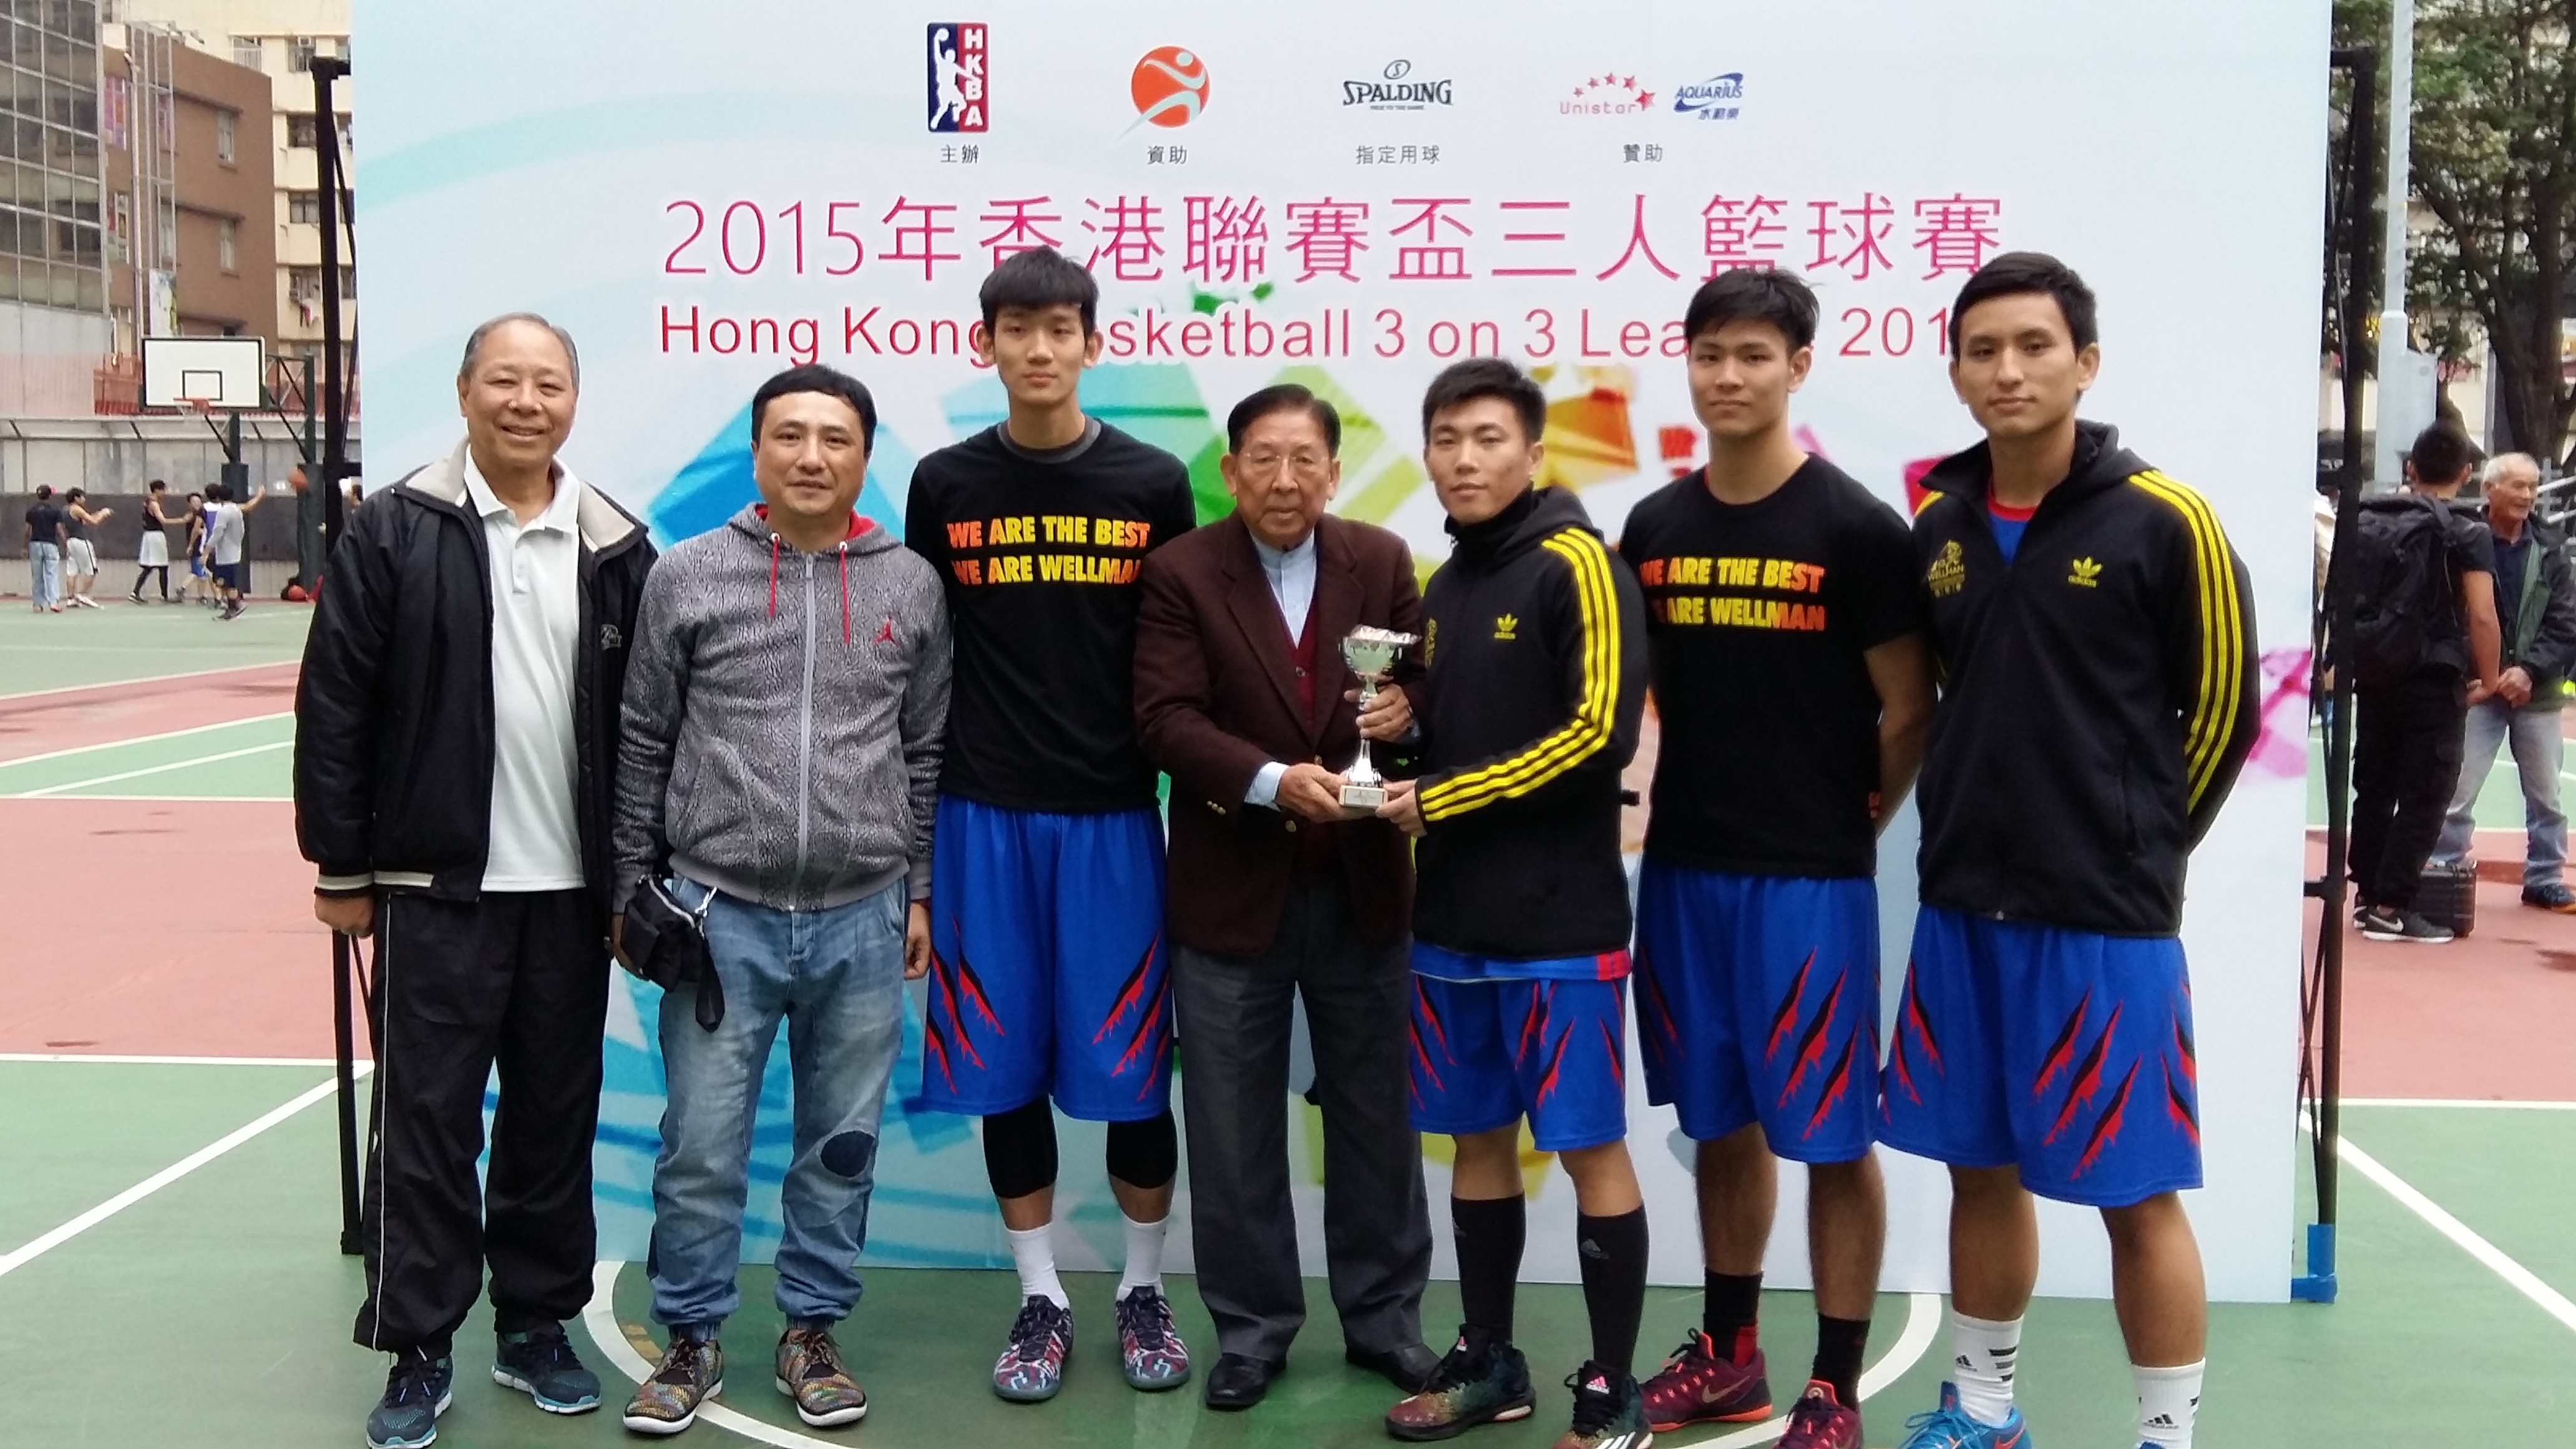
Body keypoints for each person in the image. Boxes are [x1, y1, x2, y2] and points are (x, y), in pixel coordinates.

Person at [1880, 253, 2258, 1449]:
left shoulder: (2164, 519)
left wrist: (2136, 843)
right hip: (1960, 905)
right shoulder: (1936, 525)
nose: (2008, 369)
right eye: (1982, 350)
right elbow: (1938, 695)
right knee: (1977, 1170)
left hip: (2101, 922)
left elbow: (2223, 708)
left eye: (2034, 345)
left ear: (2083, 363)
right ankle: (1983, 1411)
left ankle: (2164, 1437)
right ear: (1955, 373)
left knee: (2134, 1197)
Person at [295, 313, 656, 1449]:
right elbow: (336, 700)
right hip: (429, 885)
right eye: (504, 379)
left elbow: (648, 730)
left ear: (574, 403)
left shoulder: (615, 544)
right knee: (427, 1126)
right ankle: (418, 1341)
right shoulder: (396, 527)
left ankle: (535, 1325)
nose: (525, 401)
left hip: (570, 897)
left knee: (554, 1119)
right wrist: (340, 861)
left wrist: (630, 883)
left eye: (548, 383)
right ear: (464, 394)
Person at [1619, 270, 1935, 1449]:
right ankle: (1730, 1356)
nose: (1728, 376)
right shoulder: (1655, 527)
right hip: (1684, 872)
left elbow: (1909, 707)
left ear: (1799, 366)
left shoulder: (1856, 529)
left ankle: (1832, 1385)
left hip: (1808, 882)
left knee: (1833, 1136)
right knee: (1721, 1122)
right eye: (1710, 355)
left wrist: (1850, 822)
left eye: (1754, 355)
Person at [611, 364, 950, 1435]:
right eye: (790, 435)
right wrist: (629, 887)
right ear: (757, 452)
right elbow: (642, 738)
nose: (812, 456)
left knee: (840, 1145)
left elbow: (926, 748)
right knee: (701, 1147)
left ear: (864, 457)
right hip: (721, 918)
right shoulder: (688, 574)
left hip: (863, 916)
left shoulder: (911, 584)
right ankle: (692, 1337)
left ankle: (812, 1331)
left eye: (835, 438)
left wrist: (918, 891)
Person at [902, 247, 1201, 1403]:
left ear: (1092, 342)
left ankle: (1141, 1287)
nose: (1038, 348)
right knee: (1003, 1070)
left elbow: (1177, 648)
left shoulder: (1151, 481)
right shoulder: (944, 483)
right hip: (981, 816)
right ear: (984, 344)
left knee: (1134, 1078)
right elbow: (919, 652)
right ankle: (1040, 1296)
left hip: (1115, 817)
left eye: (1059, 328)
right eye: (1016, 328)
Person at [1133, 383, 1438, 1412]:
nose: (1284, 478)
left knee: (1377, 1120)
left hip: (1363, 892)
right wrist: (1270, 780)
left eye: (1305, 458)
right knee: (1230, 1130)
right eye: (1262, 457)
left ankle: (1386, 1320)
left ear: (1334, 472)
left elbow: (1417, 695)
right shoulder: (1181, 570)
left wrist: (1403, 718)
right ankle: (1252, 1330)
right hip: (1230, 893)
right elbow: (1164, 716)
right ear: (1228, 472)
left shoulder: (1380, 561)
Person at [1375, 358, 1651, 1449]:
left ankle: (1613, 1389)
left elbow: (1599, 734)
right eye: (1445, 439)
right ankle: (1489, 1359)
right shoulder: (1444, 586)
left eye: (1487, 438)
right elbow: (1456, 737)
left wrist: (1440, 794)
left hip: (1558, 927)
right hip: (1451, 923)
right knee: (1477, 1143)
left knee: (1589, 1150)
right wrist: (1406, 732)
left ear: (1533, 452)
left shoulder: (1578, 564)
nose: (1463, 458)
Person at [2346, 421, 2503, 943]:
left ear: (2410, 469)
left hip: (2375, 669)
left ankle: (2367, 894)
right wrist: (2489, 678)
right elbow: (2481, 614)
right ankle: (2392, 906)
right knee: (2426, 793)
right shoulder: (2466, 531)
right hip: (2434, 675)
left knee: (2374, 787)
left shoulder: (2367, 518)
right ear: (2466, 473)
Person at [2429, 452, 2576, 914]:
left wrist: (2529, 670)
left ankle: (2545, 877)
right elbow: (2450, 613)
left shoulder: (2550, 546)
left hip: (2537, 692)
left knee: (2546, 794)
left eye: (2532, 487)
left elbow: (2566, 619)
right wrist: (2481, 672)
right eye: (2517, 485)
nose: (2527, 495)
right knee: (2458, 788)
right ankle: (2445, 869)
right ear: (2489, 489)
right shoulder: (2461, 539)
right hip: (2477, 689)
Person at [205, 479, 267, 621]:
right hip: (233, 551)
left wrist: (206, 551)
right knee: (223, 582)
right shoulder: (237, 509)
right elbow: (249, 506)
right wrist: (259, 495)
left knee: (226, 583)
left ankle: (235, 605)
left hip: (225, 554)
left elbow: (217, 533)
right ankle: (232, 606)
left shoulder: (223, 512)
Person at [132, 479, 181, 603]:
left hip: (149, 536)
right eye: (163, 490)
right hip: (156, 536)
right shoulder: (154, 504)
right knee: (162, 566)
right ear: (157, 490)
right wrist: (182, 520)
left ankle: (136, 592)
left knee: (150, 566)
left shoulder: (147, 502)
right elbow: (163, 520)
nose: (165, 493)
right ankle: (164, 596)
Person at [61, 487, 110, 607]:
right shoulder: (76, 509)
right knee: (92, 569)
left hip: (71, 541)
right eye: (82, 497)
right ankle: (83, 594)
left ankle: (71, 599)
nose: (84, 499)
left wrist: (97, 513)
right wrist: (104, 514)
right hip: (81, 541)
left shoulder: (65, 510)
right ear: (76, 498)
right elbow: (94, 521)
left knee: (72, 571)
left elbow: (85, 520)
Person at [22, 484, 66, 612]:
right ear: (50, 495)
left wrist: (24, 547)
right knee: (52, 573)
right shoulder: (55, 510)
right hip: (50, 544)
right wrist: (65, 544)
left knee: (37, 576)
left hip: (35, 544)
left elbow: (27, 530)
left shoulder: (31, 511)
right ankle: (53, 602)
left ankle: (37, 604)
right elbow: (59, 528)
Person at [184, 489, 213, 605]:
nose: (197, 503)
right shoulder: (191, 517)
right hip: (197, 547)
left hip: (204, 547)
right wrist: (191, 545)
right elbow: (196, 530)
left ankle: (201, 596)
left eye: (198, 501)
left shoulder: (204, 513)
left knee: (202, 574)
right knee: (199, 573)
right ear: (189, 504)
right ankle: (182, 589)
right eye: (193, 501)